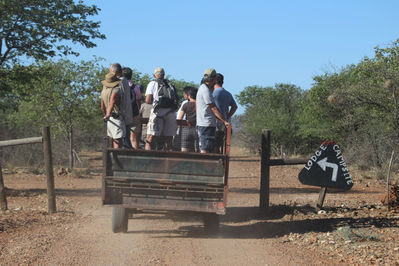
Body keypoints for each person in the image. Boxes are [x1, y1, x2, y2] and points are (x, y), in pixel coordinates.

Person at [196, 68, 230, 153]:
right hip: (206, 125)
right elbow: (213, 108)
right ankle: (205, 165)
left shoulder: (202, 88)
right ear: (214, 79)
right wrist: (224, 121)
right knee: (206, 149)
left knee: (209, 147)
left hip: (204, 124)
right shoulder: (205, 90)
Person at [145, 67, 178, 151]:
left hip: (157, 113)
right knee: (169, 140)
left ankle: (148, 161)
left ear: (154, 75)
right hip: (171, 113)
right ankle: (168, 163)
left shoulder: (152, 83)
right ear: (163, 75)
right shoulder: (170, 84)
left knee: (150, 139)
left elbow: (148, 100)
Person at [213, 73, 238, 153]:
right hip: (225, 125)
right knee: (220, 146)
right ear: (222, 82)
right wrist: (227, 117)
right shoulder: (227, 93)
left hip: (214, 124)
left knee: (213, 147)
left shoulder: (211, 93)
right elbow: (234, 106)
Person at [100, 72, 125, 148]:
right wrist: (108, 114)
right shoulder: (116, 91)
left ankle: (112, 157)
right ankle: (116, 158)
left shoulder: (103, 91)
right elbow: (112, 102)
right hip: (116, 117)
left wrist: (107, 114)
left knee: (113, 139)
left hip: (110, 118)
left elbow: (102, 106)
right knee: (118, 139)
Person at [121, 67, 141, 149]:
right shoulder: (136, 87)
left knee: (120, 138)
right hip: (134, 114)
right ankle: (134, 159)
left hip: (123, 114)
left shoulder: (120, 85)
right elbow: (139, 100)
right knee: (134, 138)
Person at [177, 87, 199, 152]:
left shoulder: (186, 105)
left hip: (186, 129)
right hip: (197, 129)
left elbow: (179, 118)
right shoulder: (200, 105)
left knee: (184, 149)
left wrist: (178, 128)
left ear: (189, 96)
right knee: (197, 149)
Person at [174, 86, 191, 150]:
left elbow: (179, 117)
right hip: (191, 128)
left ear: (187, 95)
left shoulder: (185, 103)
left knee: (179, 147)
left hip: (182, 128)